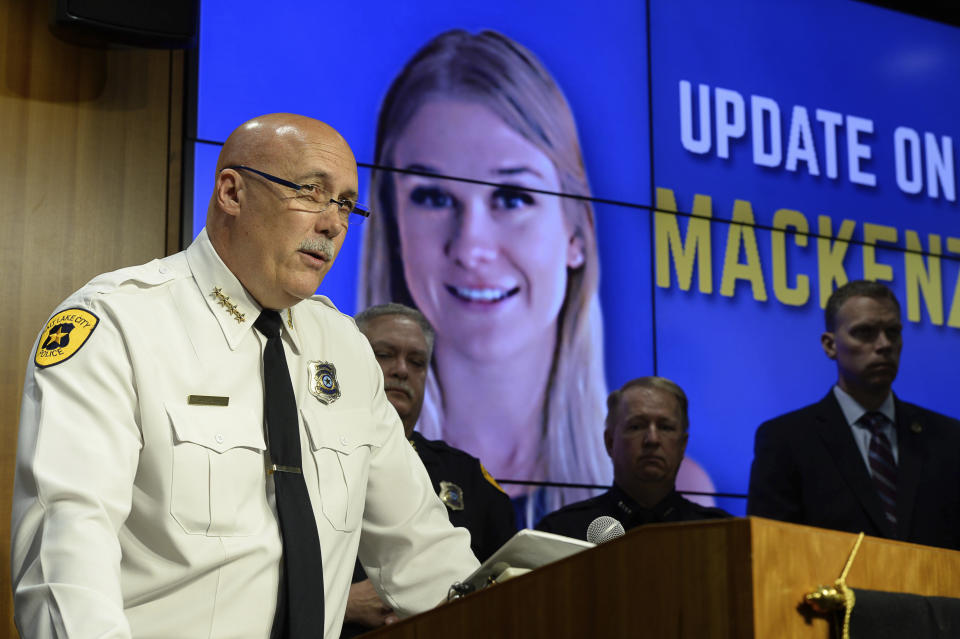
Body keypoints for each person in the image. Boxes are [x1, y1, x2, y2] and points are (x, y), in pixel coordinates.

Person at [11, 113, 479, 639]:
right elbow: (65, 558)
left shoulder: (344, 348)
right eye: (311, 192)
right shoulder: (118, 324)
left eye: (345, 203)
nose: (333, 224)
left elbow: (421, 549)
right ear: (232, 192)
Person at [358, 29, 715, 526]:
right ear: (394, 228)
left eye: (512, 197)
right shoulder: (344, 471)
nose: (472, 247)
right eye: (434, 198)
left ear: (577, 234)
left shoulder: (685, 494)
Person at [340, 303, 516, 636]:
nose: (401, 370)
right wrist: (343, 602)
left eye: (417, 362)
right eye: (384, 355)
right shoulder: (309, 452)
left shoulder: (469, 477)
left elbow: (507, 578)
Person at [747, 280, 960, 550]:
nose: (884, 344)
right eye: (865, 332)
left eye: (893, 332)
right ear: (830, 345)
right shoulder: (786, 440)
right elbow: (772, 550)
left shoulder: (948, 439)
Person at [536, 377, 730, 540]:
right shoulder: (561, 533)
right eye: (636, 426)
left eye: (665, 427)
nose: (652, 439)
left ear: (682, 445)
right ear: (610, 442)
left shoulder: (723, 534)